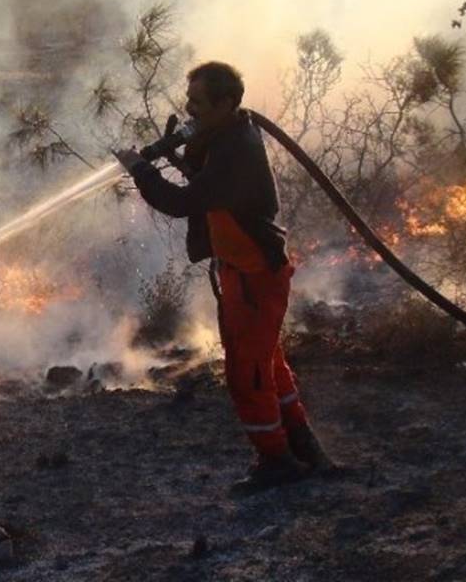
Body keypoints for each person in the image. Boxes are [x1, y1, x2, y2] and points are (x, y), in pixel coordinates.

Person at [113, 61, 337, 495]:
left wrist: (142, 170)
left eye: (198, 103)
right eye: (189, 102)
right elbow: (209, 189)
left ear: (226, 103)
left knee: (246, 373)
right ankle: (301, 446)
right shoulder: (229, 137)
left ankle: (276, 461)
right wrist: (182, 159)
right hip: (245, 274)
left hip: (255, 277)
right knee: (268, 365)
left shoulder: (236, 148)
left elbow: (182, 203)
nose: (190, 111)